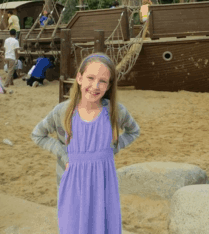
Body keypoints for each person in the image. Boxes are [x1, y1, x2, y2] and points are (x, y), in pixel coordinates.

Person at [31, 53, 140, 232]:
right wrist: (64, 155)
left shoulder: (115, 111)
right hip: (72, 185)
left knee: (103, 225)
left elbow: (134, 131)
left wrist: (112, 148)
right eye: (90, 78)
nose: (95, 86)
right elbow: (38, 134)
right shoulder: (62, 111)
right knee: (73, 225)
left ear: (110, 85)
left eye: (103, 81)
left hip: (103, 184)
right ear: (79, 78)